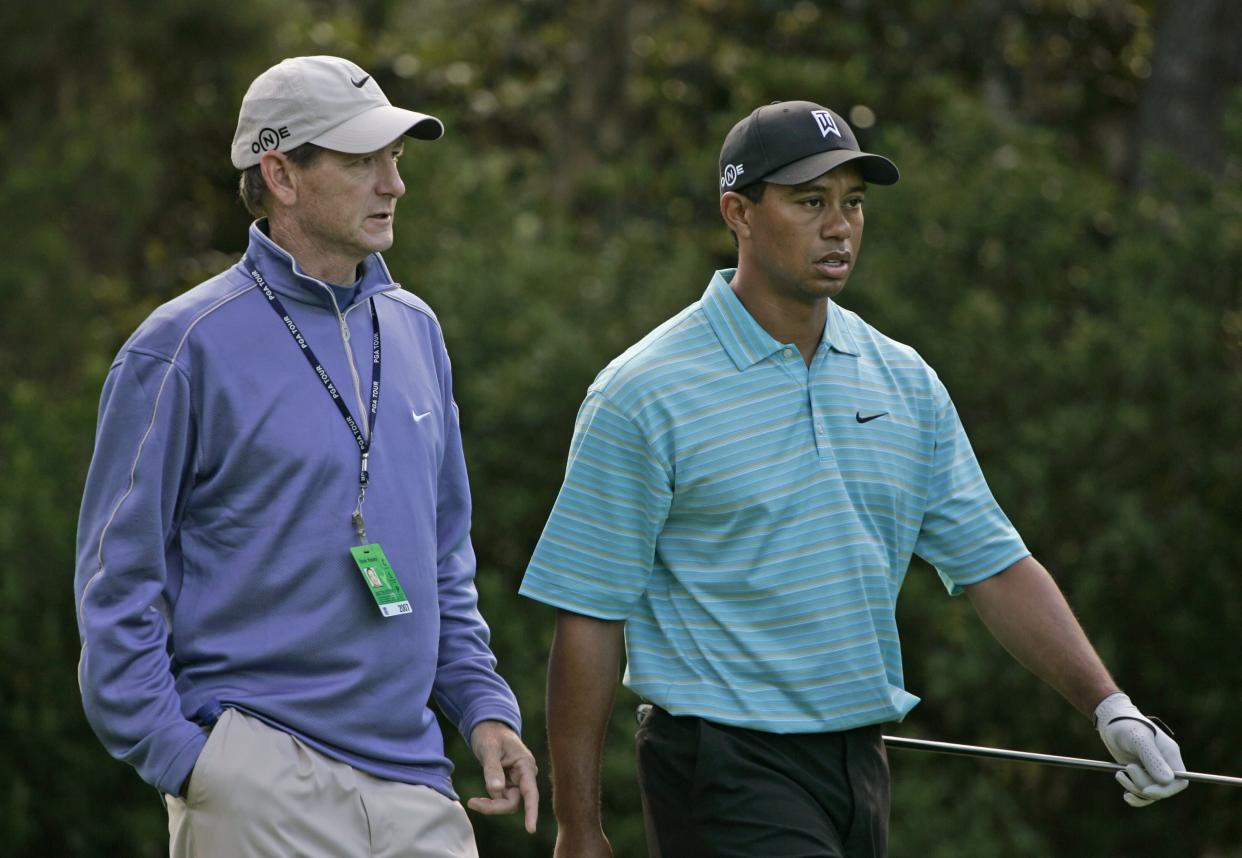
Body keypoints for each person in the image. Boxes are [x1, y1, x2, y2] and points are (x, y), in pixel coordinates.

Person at [519, 100, 1187, 858]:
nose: (840, 227)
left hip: (859, 762)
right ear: (737, 212)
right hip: (721, 767)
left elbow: (993, 564)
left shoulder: (903, 378)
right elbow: (589, 612)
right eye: (810, 203)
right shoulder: (645, 391)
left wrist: (1110, 706)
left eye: (853, 203)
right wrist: (580, 826)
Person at [74, 55, 537, 857]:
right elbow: (118, 582)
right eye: (362, 162)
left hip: (416, 785)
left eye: (395, 159)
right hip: (258, 779)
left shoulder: (417, 328)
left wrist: (483, 707)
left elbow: (442, 556)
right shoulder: (180, 348)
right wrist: (188, 762)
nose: (393, 184)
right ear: (281, 174)